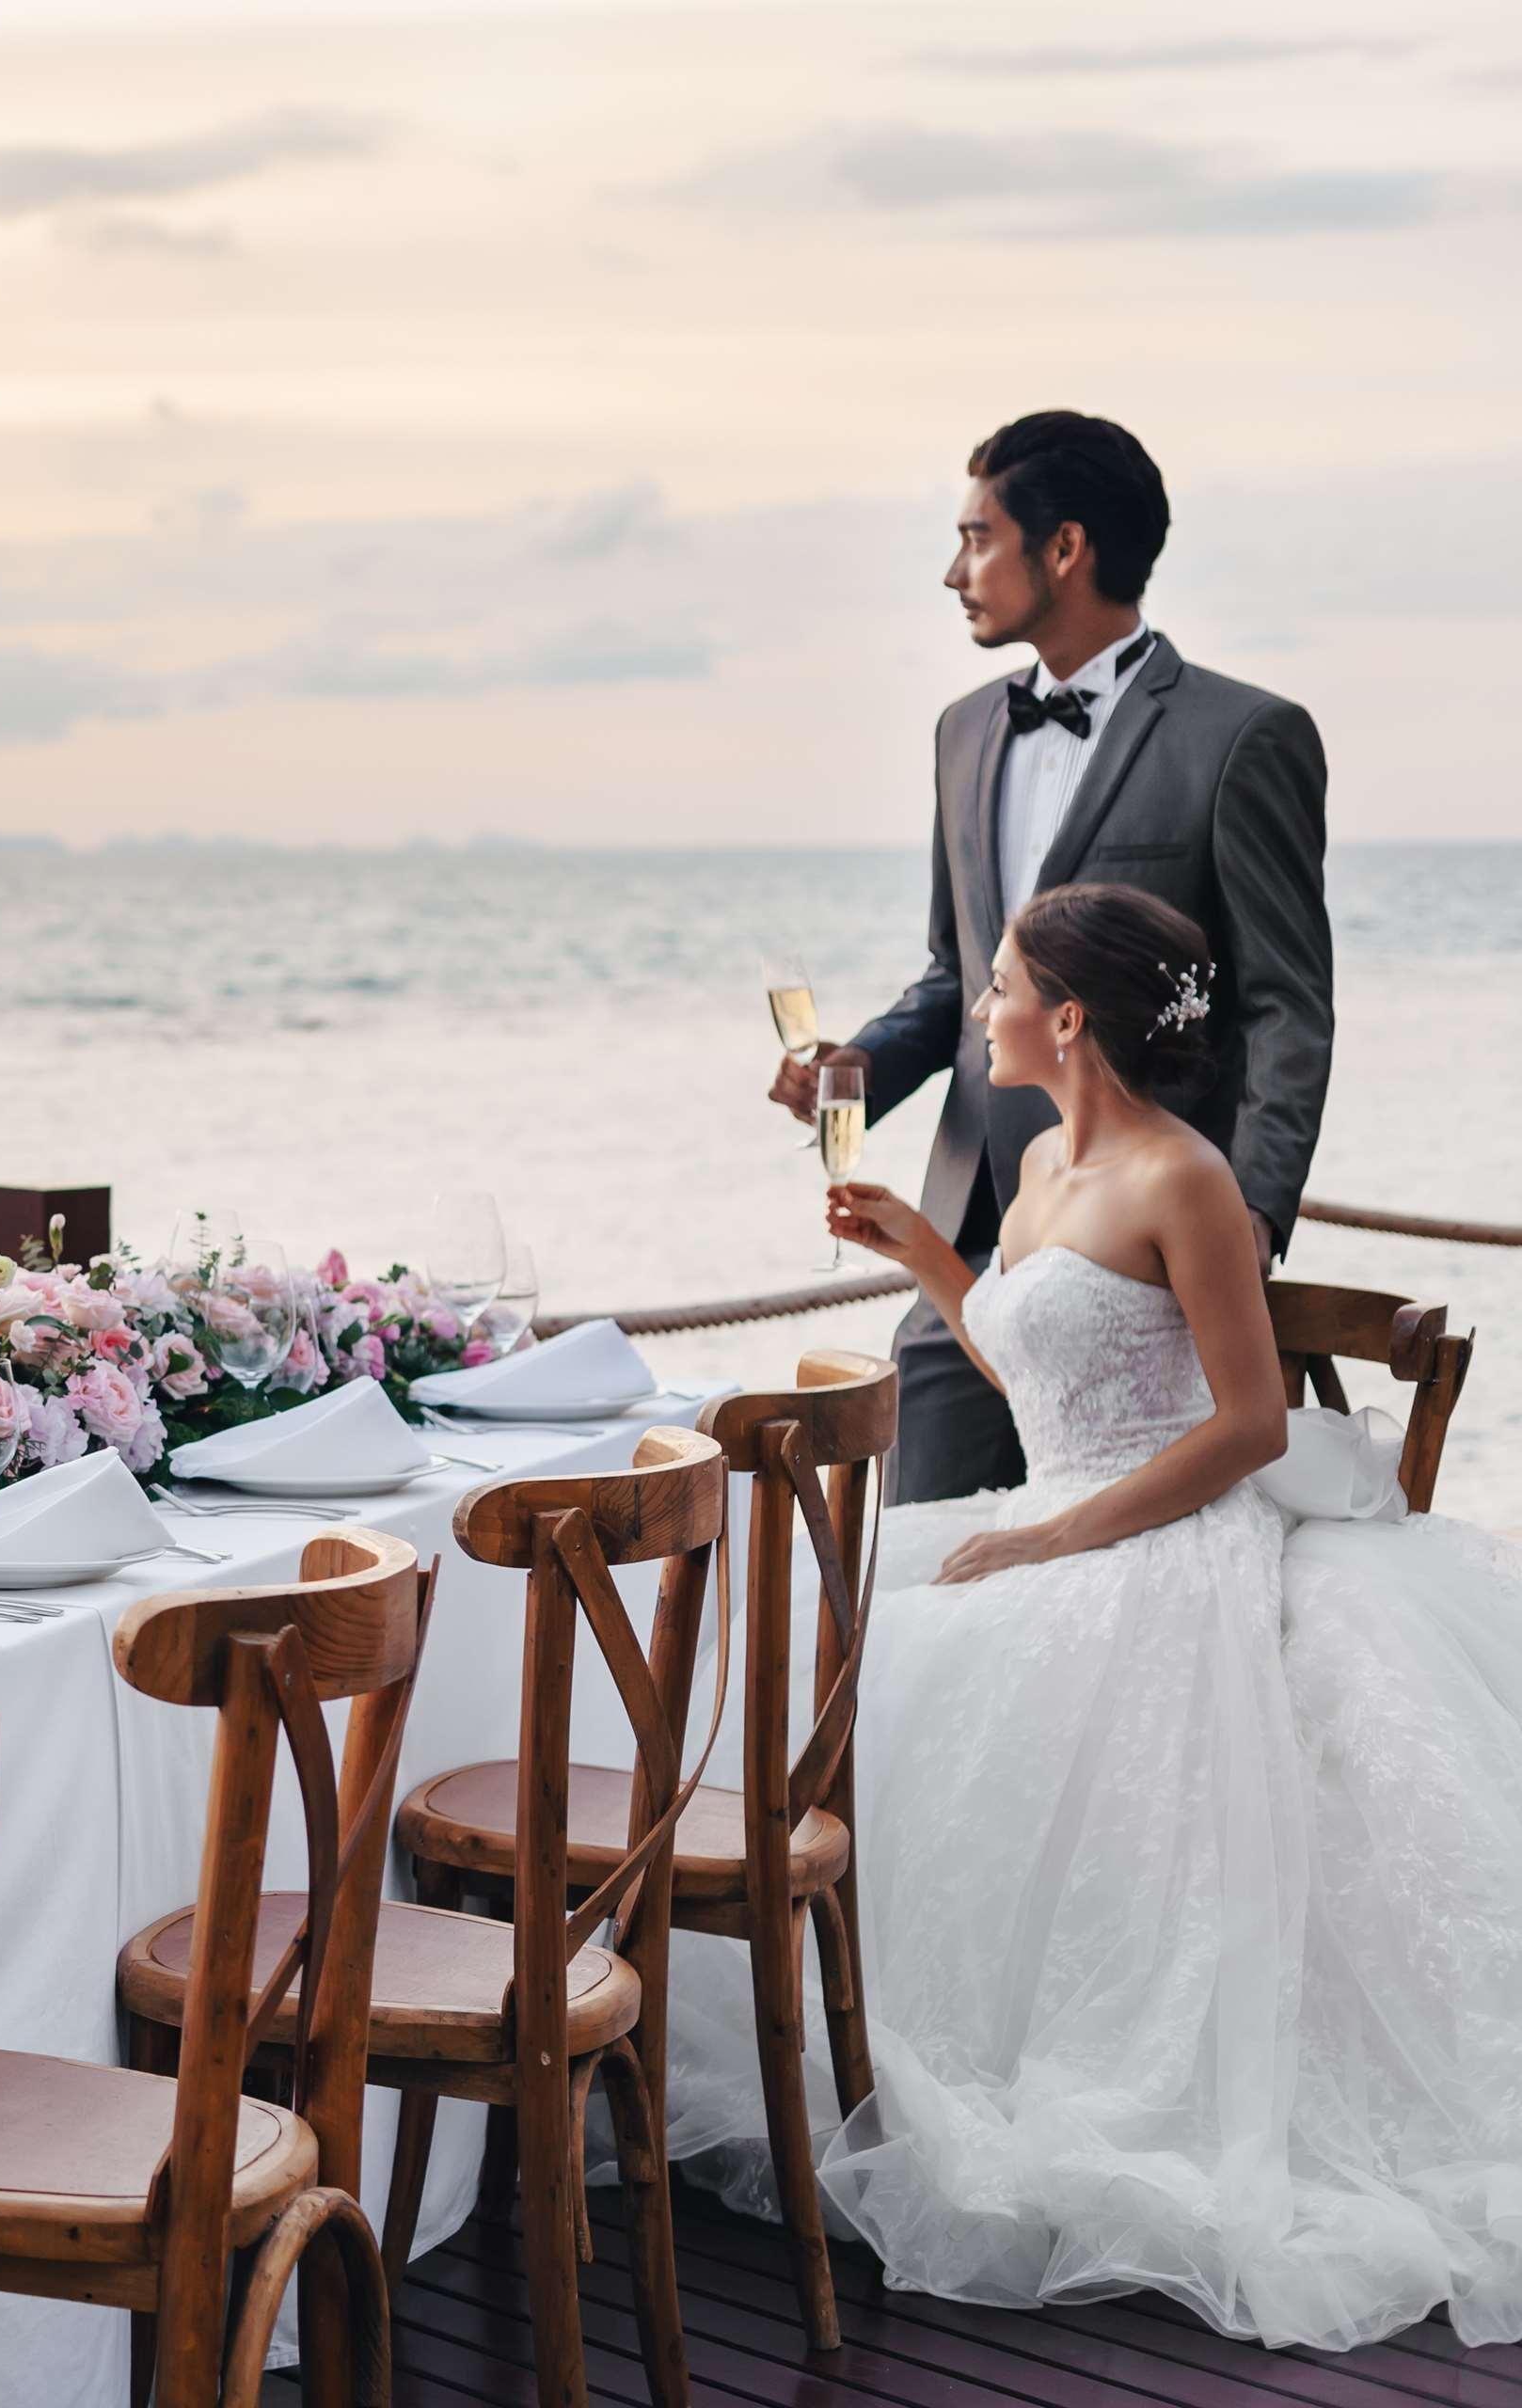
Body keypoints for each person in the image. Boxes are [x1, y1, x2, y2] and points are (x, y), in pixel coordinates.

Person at [679, 882, 1522, 2350]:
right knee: (835, 1639)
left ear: (1066, 1017)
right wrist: (926, 1258)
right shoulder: (1048, 1152)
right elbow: (1052, 1379)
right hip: (1054, 1509)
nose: (980, 1005)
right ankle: (863, 2038)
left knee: (921, 1660)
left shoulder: (1186, 1178)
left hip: (1165, 1534)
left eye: (998, 981)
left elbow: (1251, 1424)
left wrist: (1060, 1539)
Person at [773, 410, 1332, 1501]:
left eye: (977, 536)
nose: (954, 570)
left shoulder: (1243, 736)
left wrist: (1248, 1220)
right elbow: (957, 971)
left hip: (1146, 1258)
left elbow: (1286, 1005)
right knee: (918, 1566)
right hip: (977, 1234)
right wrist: (862, 1067)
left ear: (1063, 548)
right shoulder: (963, 730)